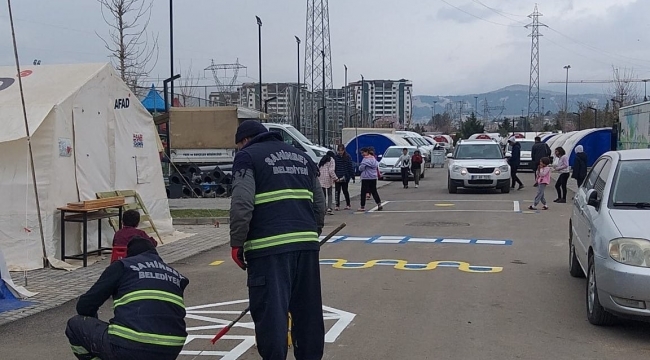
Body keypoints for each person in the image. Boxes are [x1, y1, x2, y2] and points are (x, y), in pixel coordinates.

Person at [229, 120, 326, 360]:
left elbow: (242, 203)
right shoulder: (302, 157)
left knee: (272, 315)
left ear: (244, 141)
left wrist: (237, 243)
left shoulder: (247, 157)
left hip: (267, 249)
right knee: (308, 313)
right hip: (306, 245)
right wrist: (311, 233)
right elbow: (319, 204)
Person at [65, 237, 189, 360]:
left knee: (75, 325)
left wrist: (93, 323)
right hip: (171, 348)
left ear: (129, 254)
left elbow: (85, 305)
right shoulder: (176, 275)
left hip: (129, 345)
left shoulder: (124, 266)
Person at [358, 147, 383, 212]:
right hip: (373, 177)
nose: (362, 154)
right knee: (374, 191)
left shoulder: (365, 160)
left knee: (363, 192)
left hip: (366, 177)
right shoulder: (373, 158)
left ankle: (362, 206)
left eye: (363, 152)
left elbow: (361, 168)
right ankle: (379, 203)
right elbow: (376, 165)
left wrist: (360, 167)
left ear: (366, 152)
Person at [333, 144, 355, 211]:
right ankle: (337, 205)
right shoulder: (335, 157)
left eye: (341, 150)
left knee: (345, 191)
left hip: (345, 177)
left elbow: (350, 167)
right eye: (339, 151)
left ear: (344, 150)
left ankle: (348, 204)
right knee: (337, 191)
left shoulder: (347, 157)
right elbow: (334, 167)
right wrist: (334, 176)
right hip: (338, 176)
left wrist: (352, 176)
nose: (340, 152)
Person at [318, 150, 337, 215]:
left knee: (323, 195)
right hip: (328, 178)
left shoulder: (322, 159)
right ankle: (329, 208)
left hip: (320, 178)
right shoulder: (331, 160)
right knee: (330, 194)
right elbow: (331, 171)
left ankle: (323, 208)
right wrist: (335, 178)